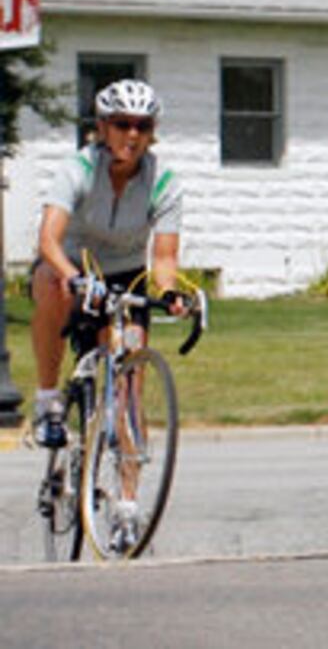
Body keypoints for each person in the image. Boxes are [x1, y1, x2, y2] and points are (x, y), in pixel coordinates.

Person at [30, 79, 187, 547]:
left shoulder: (164, 182)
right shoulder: (77, 168)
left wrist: (171, 291)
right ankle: (48, 402)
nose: (132, 134)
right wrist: (73, 275)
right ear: (102, 127)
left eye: (142, 126)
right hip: (72, 265)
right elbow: (48, 240)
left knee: (129, 380)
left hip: (124, 275)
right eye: (121, 124)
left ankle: (128, 506)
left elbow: (163, 259)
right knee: (51, 284)